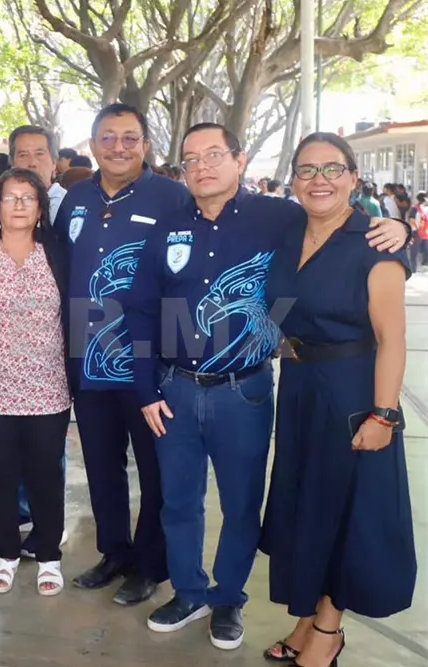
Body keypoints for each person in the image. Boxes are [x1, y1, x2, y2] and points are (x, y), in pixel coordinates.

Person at [125, 124, 409, 650]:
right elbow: (141, 311)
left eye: (215, 155)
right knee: (177, 502)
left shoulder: (279, 216)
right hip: (174, 391)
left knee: (242, 504)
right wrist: (145, 389)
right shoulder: (166, 229)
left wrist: (400, 231)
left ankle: (229, 598)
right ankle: (188, 591)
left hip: (246, 392)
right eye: (191, 159)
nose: (203, 166)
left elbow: (343, 222)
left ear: (240, 159)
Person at [260, 133, 415, 667]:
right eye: (307, 170)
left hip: (353, 392)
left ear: (353, 176)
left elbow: (392, 339)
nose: (319, 180)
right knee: (309, 507)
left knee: (346, 512)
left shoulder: (374, 241)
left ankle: (328, 629)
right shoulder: (288, 232)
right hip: (301, 388)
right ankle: (307, 617)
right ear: (293, 179)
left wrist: (385, 413)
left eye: (332, 169)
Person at [52, 103, 189, 606]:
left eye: (129, 138)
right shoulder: (75, 198)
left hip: (149, 359)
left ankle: (152, 564)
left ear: (146, 146)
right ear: (92, 145)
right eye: (107, 138)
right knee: (101, 463)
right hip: (86, 356)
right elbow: (61, 270)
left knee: (155, 466)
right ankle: (114, 551)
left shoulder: (173, 197)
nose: (118, 147)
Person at [0, 168, 72, 596]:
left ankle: (48, 556)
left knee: (46, 474)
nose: (20, 204)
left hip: (49, 386)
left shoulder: (58, 252)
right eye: (10, 197)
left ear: (41, 207)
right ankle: (6, 553)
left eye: (28, 197)